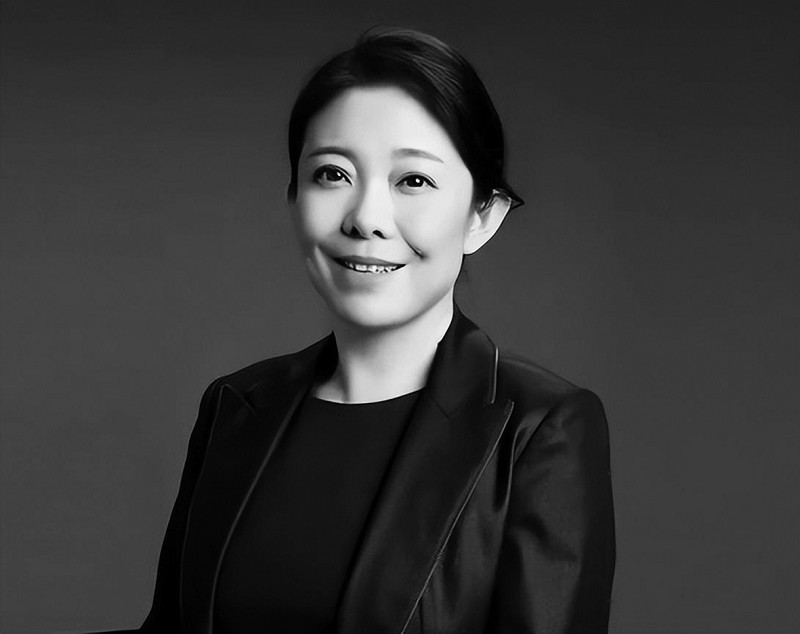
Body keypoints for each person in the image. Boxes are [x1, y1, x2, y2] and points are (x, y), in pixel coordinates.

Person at [121, 28, 615, 634]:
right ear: (293, 198)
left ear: (482, 216)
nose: (366, 219)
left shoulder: (541, 429)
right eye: (332, 174)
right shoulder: (234, 406)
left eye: (414, 181)